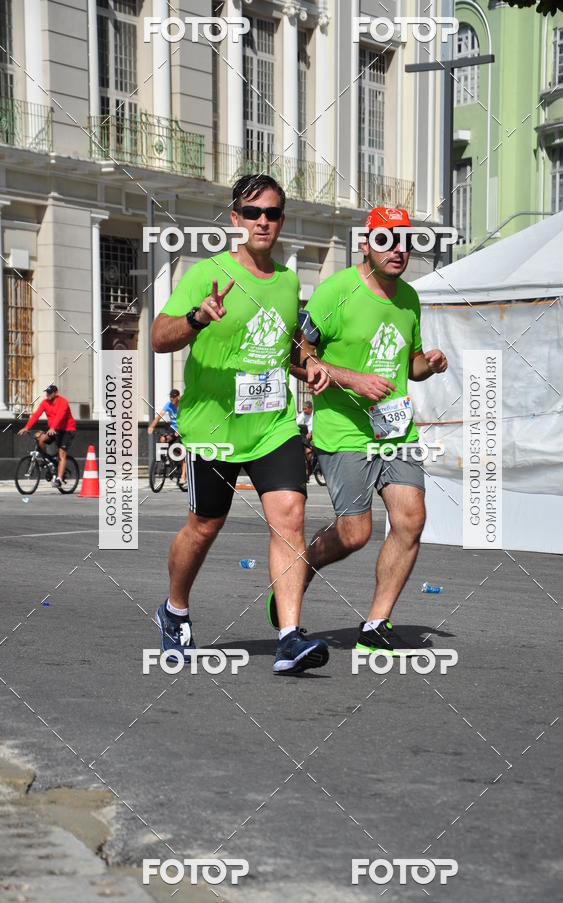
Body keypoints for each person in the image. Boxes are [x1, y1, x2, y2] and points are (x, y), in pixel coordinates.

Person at [150, 173, 330, 675]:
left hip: (273, 425)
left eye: (272, 213)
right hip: (213, 428)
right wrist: (198, 317)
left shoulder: (289, 282)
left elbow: (286, 347)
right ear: (236, 219)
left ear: (282, 220)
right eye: (253, 213)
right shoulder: (205, 274)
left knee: (291, 515)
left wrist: (311, 365)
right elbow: (159, 338)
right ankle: (174, 610)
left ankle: (289, 637)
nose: (262, 221)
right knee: (205, 525)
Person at [267, 207, 447, 654]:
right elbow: (294, 355)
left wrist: (429, 364)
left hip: (395, 429)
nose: (397, 249)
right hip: (345, 431)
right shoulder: (336, 291)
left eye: (405, 241)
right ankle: (301, 568)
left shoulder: (409, 298)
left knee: (411, 519)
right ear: (365, 244)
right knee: (355, 533)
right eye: (386, 240)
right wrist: (352, 379)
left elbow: (410, 365)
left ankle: (375, 625)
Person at [18, 384, 77, 489]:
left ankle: (59, 480)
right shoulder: (45, 403)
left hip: (67, 430)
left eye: (50, 392)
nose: (48, 394)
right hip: (54, 429)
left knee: (61, 453)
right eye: (47, 392)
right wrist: (26, 427)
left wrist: (52, 427)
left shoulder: (63, 402)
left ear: (55, 393)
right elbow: (36, 415)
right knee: (40, 438)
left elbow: (60, 416)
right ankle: (48, 461)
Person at [147, 388, 187, 488]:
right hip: (173, 428)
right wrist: (152, 426)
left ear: (178, 397)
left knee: (183, 453)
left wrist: (181, 430)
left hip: (183, 429)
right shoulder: (168, 405)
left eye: (173, 397)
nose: (171, 398)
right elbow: (159, 416)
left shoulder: (183, 406)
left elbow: (187, 419)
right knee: (163, 438)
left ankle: (183, 476)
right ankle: (165, 458)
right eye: (170, 397)